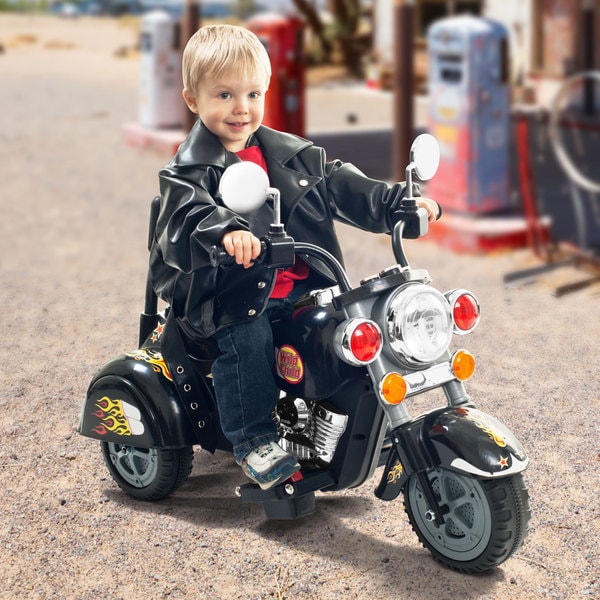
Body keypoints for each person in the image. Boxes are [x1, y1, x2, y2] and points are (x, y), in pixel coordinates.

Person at [150, 24, 441, 490]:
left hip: (302, 287)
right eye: (223, 95)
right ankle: (254, 440)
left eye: (251, 93)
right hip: (228, 295)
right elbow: (186, 216)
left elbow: (340, 184)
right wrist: (225, 231)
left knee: (347, 330)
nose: (240, 108)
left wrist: (394, 205)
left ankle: (333, 422)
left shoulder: (291, 154)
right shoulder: (187, 170)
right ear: (192, 99)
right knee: (248, 340)